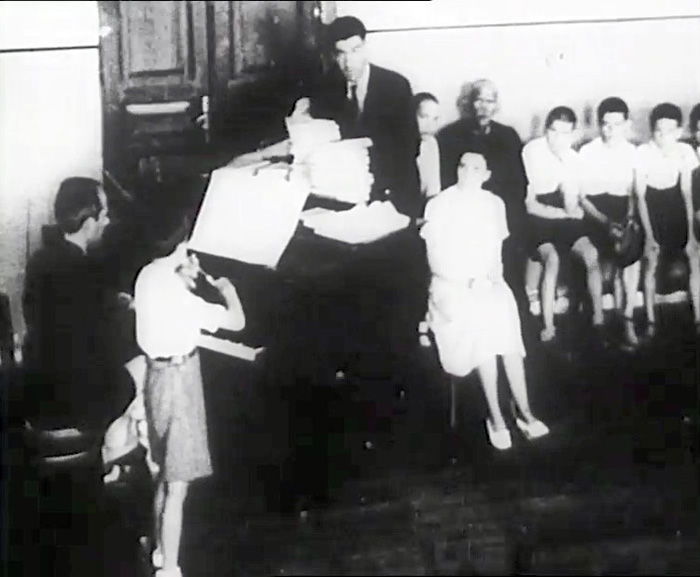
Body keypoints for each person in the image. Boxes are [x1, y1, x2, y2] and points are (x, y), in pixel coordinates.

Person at [133, 207, 245, 577]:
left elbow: (165, 295)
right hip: (180, 382)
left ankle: (160, 552)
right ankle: (170, 570)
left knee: (164, 473)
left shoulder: (147, 275)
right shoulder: (181, 297)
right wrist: (227, 291)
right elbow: (237, 322)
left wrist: (181, 274)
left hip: (156, 378)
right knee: (178, 486)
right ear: (181, 245)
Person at [421, 152, 549, 451]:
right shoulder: (439, 204)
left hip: (486, 283)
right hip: (449, 287)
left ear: (486, 174)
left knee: (504, 315)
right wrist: (468, 280)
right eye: (462, 166)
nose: (468, 172)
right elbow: (435, 261)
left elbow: (494, 256)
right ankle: (496, 416)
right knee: (482, 327)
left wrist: (491, 279)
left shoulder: (494, 204)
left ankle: (524, 410)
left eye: (476, 168)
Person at [22, 177, 135, 431]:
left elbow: (63, 310)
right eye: (104, 214)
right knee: (146, 368)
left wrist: (110, 301)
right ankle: (117, 449)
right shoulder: (88, 272)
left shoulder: (39, 260)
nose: (107, 221)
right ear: (88, 223)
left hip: (38, 391)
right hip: (76, 401)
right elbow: (107, 347)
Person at [304, 16, 422, 218]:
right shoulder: (326, 87)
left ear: (365, 47)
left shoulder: (395, 86)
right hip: (347, 190)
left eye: (355, 50)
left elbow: (410, 146)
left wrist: (365, 150)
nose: (348, 62)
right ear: (333, 55)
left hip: (395, 190)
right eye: (340, 54)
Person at [437, 79, 528, 306]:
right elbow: (446, 182)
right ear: (470, 103)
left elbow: (519, 184)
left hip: (500, 215)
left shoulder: (508, 136)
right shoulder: (450, 135)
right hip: (462, 214)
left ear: (496, 105)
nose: (484, 107)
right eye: (479, 100)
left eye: (490, 101)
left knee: (508, 268)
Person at [522, 106, 604, 343]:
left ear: (573, 134)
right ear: (545, 130)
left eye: (565, 133)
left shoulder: (573, 158)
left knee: (591, 253)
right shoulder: (531, 151)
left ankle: (599, 319)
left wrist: (570, 207)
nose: (558, 139)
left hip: (561, 214)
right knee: (553, 259)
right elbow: (530, 206)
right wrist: (566, 213)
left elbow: (571, 203)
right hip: (537, 217)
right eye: (553, 131)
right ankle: (548, 326)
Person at [578, 97, 642, 348]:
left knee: (630, 252)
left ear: (626, 124)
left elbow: (634, 193)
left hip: (623, 212)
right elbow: (582, 198)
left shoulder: (633, 152)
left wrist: (628, 220)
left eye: (617, 124)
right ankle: (599, 323)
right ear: (599, 124)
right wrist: (605, 222)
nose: (611, 130)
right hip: (595, 213)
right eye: (605, 124)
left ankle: (626, 318)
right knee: (594, 255)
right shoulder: (587, 151)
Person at [635, 103, 700, 336]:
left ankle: (698, 318)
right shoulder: (643, 152)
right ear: (652, 131)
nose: (664, 137)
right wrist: (649, 236)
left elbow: (686, 193)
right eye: (659, 131)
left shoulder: (685, 151)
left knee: (694, 258)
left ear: (679, 132)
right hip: (651, 210)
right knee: (651, 261)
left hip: (676, 210)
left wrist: (691, 235)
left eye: (670, 131)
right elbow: (640, 196)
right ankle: (651, 320)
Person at [415, 92, 442, 200]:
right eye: (424, 117)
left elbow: (433, 189)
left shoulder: (430, 143)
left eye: (435, 119)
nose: (430, 125)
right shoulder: (397, 144)